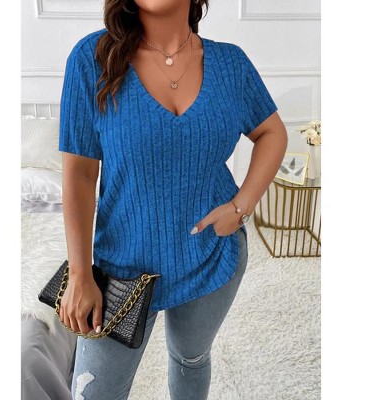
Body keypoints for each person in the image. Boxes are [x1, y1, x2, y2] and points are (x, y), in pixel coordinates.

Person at [58, 1, 288, 399]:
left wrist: (241, 206)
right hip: (121, 267)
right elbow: (79, 173)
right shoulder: (92, 59)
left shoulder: (231, 64)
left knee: (191, 359)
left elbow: (273, 132)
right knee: (94, 391)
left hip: (211, 253)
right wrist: (80, 273)